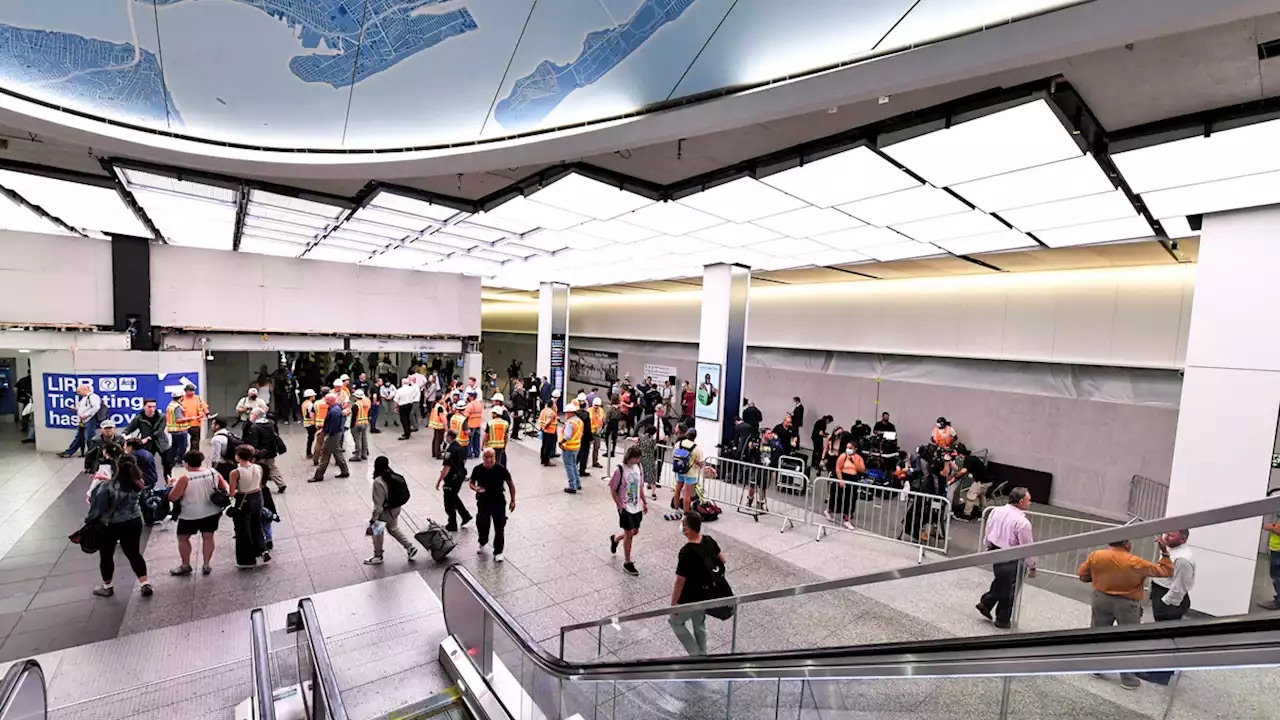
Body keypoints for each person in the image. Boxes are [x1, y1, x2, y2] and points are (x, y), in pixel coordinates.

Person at [1077, 537, 1174, 690]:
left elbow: (1082, 575)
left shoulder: (1096, 555)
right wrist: (1164, 552)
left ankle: (1095, 667)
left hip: (1101, 598)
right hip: (1127, 604)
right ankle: (1127, 678)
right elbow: (1166, 571)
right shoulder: (1137, 562)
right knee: (1128, 640)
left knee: (1099, 634)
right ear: (1126, 544)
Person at [85, 454, 152, 598]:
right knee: (134, 553)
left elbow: (97, 508)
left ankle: (107, 586)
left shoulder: (107, 486)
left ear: (117, 467)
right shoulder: (138, 483)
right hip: (134, 521)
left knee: (107, 555)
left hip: (111, 525)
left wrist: (89, 521)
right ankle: (144, 583)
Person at [1138, 529, 1195, 685]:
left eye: (1171, 534)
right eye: (1166, 533)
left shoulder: (1183, 559)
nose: (1166, 536)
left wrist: (1165, 603)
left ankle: (1161, 674)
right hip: (1163, 595)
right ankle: (1161, 667)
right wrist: (1163, 550)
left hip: (1170, 601)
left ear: (1183, 539)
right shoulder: (1172, 549)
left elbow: (1179, 587)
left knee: (1165, 637)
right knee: (1163, 635)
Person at [975, 487, 1037, 629]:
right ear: (1021, 502)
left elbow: (988, 530)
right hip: (1012, 556)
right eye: (1028, 500)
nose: (1030, 503)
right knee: (1010, 588)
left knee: (1001, 581)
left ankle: (986, 603)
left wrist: (987, 547)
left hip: (996, 551)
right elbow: (1027, 547)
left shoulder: (995, 511)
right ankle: (1002, 618)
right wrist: (1032, 565)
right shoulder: (1023, 523)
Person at [669, 511, 725, 656]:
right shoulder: (708, 540)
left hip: (690, 596)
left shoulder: (686, 552)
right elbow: (723, 560)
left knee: (675, 622)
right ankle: (703, 654)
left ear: (689, 528)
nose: (681, 526)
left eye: (683, 524)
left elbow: (679, 581)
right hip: (706, 593)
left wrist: (674, 605)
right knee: (699, 623)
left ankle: (696, 655)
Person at [167, 450, 228, 576]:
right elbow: (224, 487)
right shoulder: (212, 472)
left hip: (189, 514)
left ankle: (185, 565)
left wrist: (172, 484)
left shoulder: (184, 478)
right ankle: (206, 565)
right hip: (211, 511)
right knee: (208, 537)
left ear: (186, 463)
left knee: (183, 538)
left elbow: (172, 497)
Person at [365, 456, 418, 565]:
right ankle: (409, 547)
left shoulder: (378, 482)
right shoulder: (392, 475)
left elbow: (378, 505)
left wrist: (373, 519)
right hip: (395, 508)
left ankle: (378, 555)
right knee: (393, 529)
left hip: (385, 511)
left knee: (376, 531)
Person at [609, 446, 649, 576]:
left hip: (637, 505)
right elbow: (613, 489)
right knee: (629, 534)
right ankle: (627, 562)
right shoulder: (620, 470)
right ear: (629, 457)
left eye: (639, 458)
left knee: (634, 532)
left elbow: (640, 486)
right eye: (635, 457)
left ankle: (615, 539)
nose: (637, 460)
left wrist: (644, 501)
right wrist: (620, 505)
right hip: (626, 507)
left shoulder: (639, 468)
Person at [471, 448, 516, 562]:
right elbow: (471, 482)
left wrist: (513, 500)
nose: (489, 460)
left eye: (491, 457)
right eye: (487, 457)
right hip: (483, 501)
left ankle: (498, 551)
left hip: (498, 501)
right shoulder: (478, 469)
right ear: (483, 458)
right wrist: (476, 488)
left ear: (495, 458)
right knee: (482, 524)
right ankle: (482, 541)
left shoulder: (501, 470)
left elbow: (511, 484)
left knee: (499, 527)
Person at [228, 445, 266, 568]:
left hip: (244, 499)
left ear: (238, 457)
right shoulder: (258, 467)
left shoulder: (235, 472)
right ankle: (262, 549)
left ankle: (247, 560)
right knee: (257, 524)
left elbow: (232, 492)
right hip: (258, 497)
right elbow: (259, 485)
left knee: (243, 529)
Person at [123, 398, 171, 479]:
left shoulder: (162, 417)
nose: (152, 409)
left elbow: (159, 431)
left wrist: (148, 438)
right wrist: (123, 435)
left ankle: (168, 480)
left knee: (167, 462)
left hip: (161, 443)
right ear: (144, 407)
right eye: (149, 407)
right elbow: (129, 429)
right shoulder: (139, 418)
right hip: (147, 445)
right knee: (146, 462)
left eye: (154, 407)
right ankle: (148, 480)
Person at [243, 408, 287, 492]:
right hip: (271, 449)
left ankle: (259, 485)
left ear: (255, 416)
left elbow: (253, 440)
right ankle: (281, 483)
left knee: (258, 468)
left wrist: (254, 453)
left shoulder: (254, 427)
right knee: (272, 467)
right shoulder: (271, 423)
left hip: (260, 451)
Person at [437, 430, 473, 531]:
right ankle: (465, 515)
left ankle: (452, 523)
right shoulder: (460, 447)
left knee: (448, 501)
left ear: (449, 436)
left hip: (452, 478)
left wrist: (439, 481)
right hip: (460, 476)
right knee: (453, 496)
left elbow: (446, 468)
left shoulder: (451, 450)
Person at [58, 384, 104, 458]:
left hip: (90, 419)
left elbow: (96, 407)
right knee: (79, 437)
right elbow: (84, 407)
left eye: (79, 391)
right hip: (83, 421)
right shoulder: (85, 398)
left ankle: (92, 454)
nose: (78, 393)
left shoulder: (93, 397)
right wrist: (75, 409)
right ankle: (69, 452)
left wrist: (85, 414)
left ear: (85, 389)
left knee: (90, 438)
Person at [311, 396, 350, 482]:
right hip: (335, 434)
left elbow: (333, 425)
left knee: (325, 454)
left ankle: (319, 475)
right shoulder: (336, 408)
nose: (325, 401)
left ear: (330, 401)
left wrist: (326, 433)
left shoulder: (334, 411)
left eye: (326, 400)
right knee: (337, 452)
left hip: (333, 435)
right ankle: (345, 471)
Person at [828, 441, 865, 530]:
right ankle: (829, 510)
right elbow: (838, 468)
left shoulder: (858, 458)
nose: (848, 450)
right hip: (843, 477)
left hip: (853, 479)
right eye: (847, 448)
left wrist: (855, 462)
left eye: (850, 448)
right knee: (838, 497)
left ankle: (846, 519)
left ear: (855, 449)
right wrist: (841, 480)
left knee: (851, 499)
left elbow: (862, 469)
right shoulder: (843, 456)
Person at [674, 429, 704, 517]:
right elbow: (701, 464)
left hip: (679, 470)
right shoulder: (696, 448)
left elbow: (674, 455)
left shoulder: (679, 444)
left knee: (677, 489)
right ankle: (685, 514)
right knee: (687, 495)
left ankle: (676, 509)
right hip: (690, 473)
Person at [560, 401, 585, 494]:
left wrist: (560, 442)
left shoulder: (570, 423)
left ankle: (572, 486)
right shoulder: (579, 421)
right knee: (574, 465)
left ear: (571, 412)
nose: (565, 414)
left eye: (566, 412)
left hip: (568, 447)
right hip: (576, 447)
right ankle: (578, 483)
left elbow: (567, 436)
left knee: (569, 466)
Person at [1261, 491, 1280, 611]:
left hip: (1279, 549)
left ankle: (1278, 602)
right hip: (1275, 547)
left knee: (1277, 576)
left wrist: (1264, 525)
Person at [164, 390, 189, 477]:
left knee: (174, 446)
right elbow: (179, 419)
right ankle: (179, 461)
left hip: (173, 430)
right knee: (183, 445)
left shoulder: (171, 405)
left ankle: (171, 460)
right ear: (181, 397)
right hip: (179, 430)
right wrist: (191, 418)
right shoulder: (177, 407)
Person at [483, 399, 511, 468]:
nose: (491, 414)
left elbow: (486, 435)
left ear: (495, 414)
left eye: (492, 413)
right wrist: (505, 445)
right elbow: (506, 436)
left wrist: (483, 445)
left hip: (491, 446)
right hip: (500, 446)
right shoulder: (505, 423)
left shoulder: (490, 423)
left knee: (489, 462)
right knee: (498, 461)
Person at [574, 395, 594, 479]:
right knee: (584, 454)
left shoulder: (575, 413)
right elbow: (587, 428)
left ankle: (574, 468)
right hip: (585, 438)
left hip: (576, 436)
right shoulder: (586, 415)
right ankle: (582, 470)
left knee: (577, 454)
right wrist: (590, 438)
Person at [349, 389, 371, 462]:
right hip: (365, 422)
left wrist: (351, 426)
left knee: (357, 440)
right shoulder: (367, 402)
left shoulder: (356, 405)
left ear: (355, 397)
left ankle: (357, 455)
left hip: (357, 423)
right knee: (364, 438)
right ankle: (364, 454)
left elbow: (354, 417)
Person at [638, 425, 660, 501]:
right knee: (652, 477)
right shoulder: (652, 441)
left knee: (642, 476)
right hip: (650, 460)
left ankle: (641, 492)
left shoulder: (641, 438)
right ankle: (653, 493)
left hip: (641, 459)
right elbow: (655, 449)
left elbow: (638, 446)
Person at [539, 391, 560, 467]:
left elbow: (540, 420)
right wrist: (545, 426)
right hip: (550, 431)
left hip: (544, 431)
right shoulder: (551, 413)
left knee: (544, 445)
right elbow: (549, 420)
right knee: (548, 447)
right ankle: (546, 461)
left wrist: (542, 427)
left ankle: (542, 459)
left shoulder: (543, 411)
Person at [465, 390, 484, 459]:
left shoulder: (470, 405)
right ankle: (477, 453)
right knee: (477, 439)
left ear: (472, 397)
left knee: (469, 440)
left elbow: (466, 415)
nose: (468, 397)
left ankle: (469, 453)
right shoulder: (479, 404)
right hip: (478, 424)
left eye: (469, 395)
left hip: (471, 424)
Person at [589, 397, 606, 469]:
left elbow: (603, 419)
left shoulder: (601, 410)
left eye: (597, 405)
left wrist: (602, 428)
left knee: (596, 447)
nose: (596, 407)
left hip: (597, 432)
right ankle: (583, 463)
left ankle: (595, 462)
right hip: (590, 432)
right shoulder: (589, 410)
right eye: (595, 405)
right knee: (586, 448)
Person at [301, 389, 317, 458]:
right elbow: (311, 415)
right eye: (313, 395)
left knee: (310, 438)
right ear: (310, 396)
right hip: (310, 423)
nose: (314, 396)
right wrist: (315, 422)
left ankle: (309, 452)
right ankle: (309, 453)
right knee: (311, 438)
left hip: (306, 423)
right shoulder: (310, 404)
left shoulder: (304, 403)